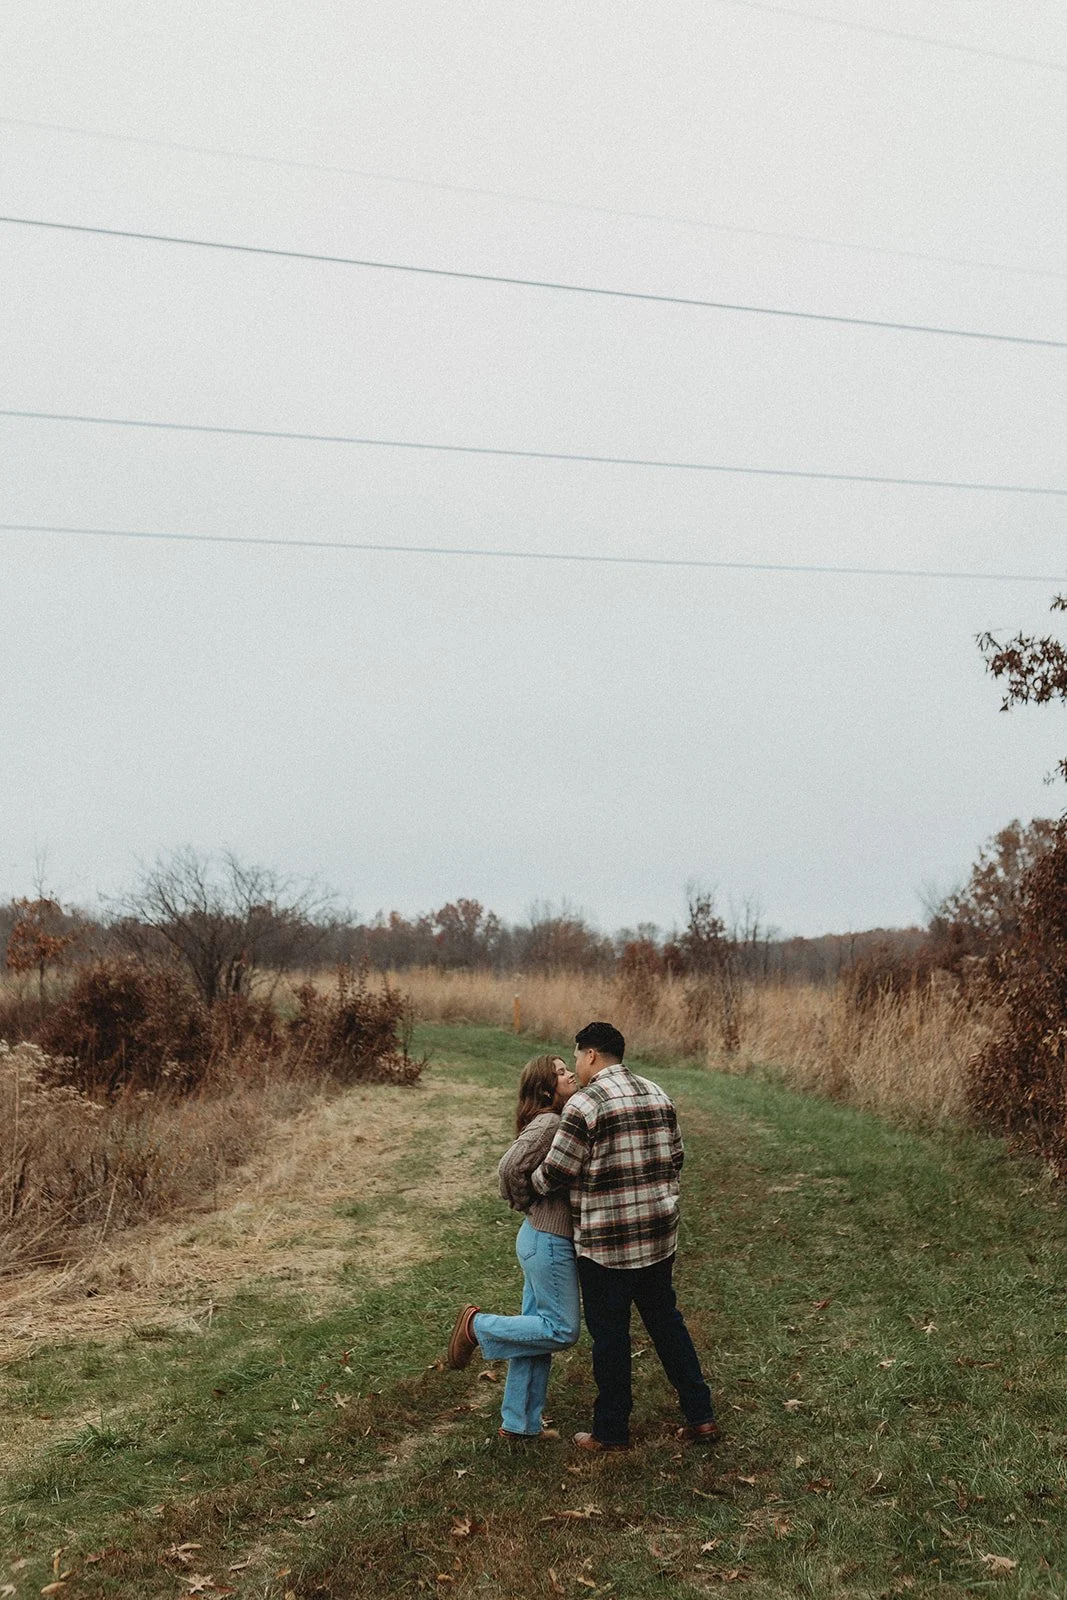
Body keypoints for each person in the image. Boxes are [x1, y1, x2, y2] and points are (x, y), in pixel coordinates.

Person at [530, 1020, 718, 1453]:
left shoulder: (585, 1103)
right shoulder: (658, 1093)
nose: (575, 1066)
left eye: (577, 1056)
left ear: (591, 1054)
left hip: (606, 1245)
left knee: (611, 1337)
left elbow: (557, 1172)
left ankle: (611, 1431)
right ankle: (700, 1416)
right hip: (657, 1236)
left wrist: (530, 1185)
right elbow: (677, 1157)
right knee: (667, 1324)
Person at [445, 1054, 581, 1440]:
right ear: (545, 1089)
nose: (569, 1073)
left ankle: (520, 1425)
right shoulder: (550, 1122)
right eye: (559, 1072)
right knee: (561, 1330)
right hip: (548, 1241)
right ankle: (475, 1325)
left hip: (539, 1237)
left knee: (534, 1333)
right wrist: (525, 1200)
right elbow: (509, 1167)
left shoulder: (553, 1121)